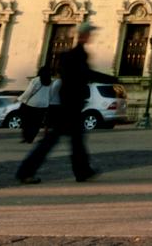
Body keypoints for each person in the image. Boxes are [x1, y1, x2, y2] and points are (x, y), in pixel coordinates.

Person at [16, 21, 98, 184]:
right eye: (89, 33)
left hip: (69, 105)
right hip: (69, 106)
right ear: (83, 35)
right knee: (51, 143)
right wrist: (111, 79)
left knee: (74, 141)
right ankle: (25, 171)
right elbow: (82, 76)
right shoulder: (76, 55)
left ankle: (83, 171)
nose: (91, 37)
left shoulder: (77, 55)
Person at [17, 61, 56, 144]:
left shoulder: (36, 80)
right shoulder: (51, 82)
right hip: (43, 105)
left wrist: (21, 99)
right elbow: (51, 94)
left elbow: (29, 92)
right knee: (37, 123)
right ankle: (31, 138)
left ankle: (26, 137)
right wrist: (48, 102)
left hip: (32, 103)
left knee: (27, 121)